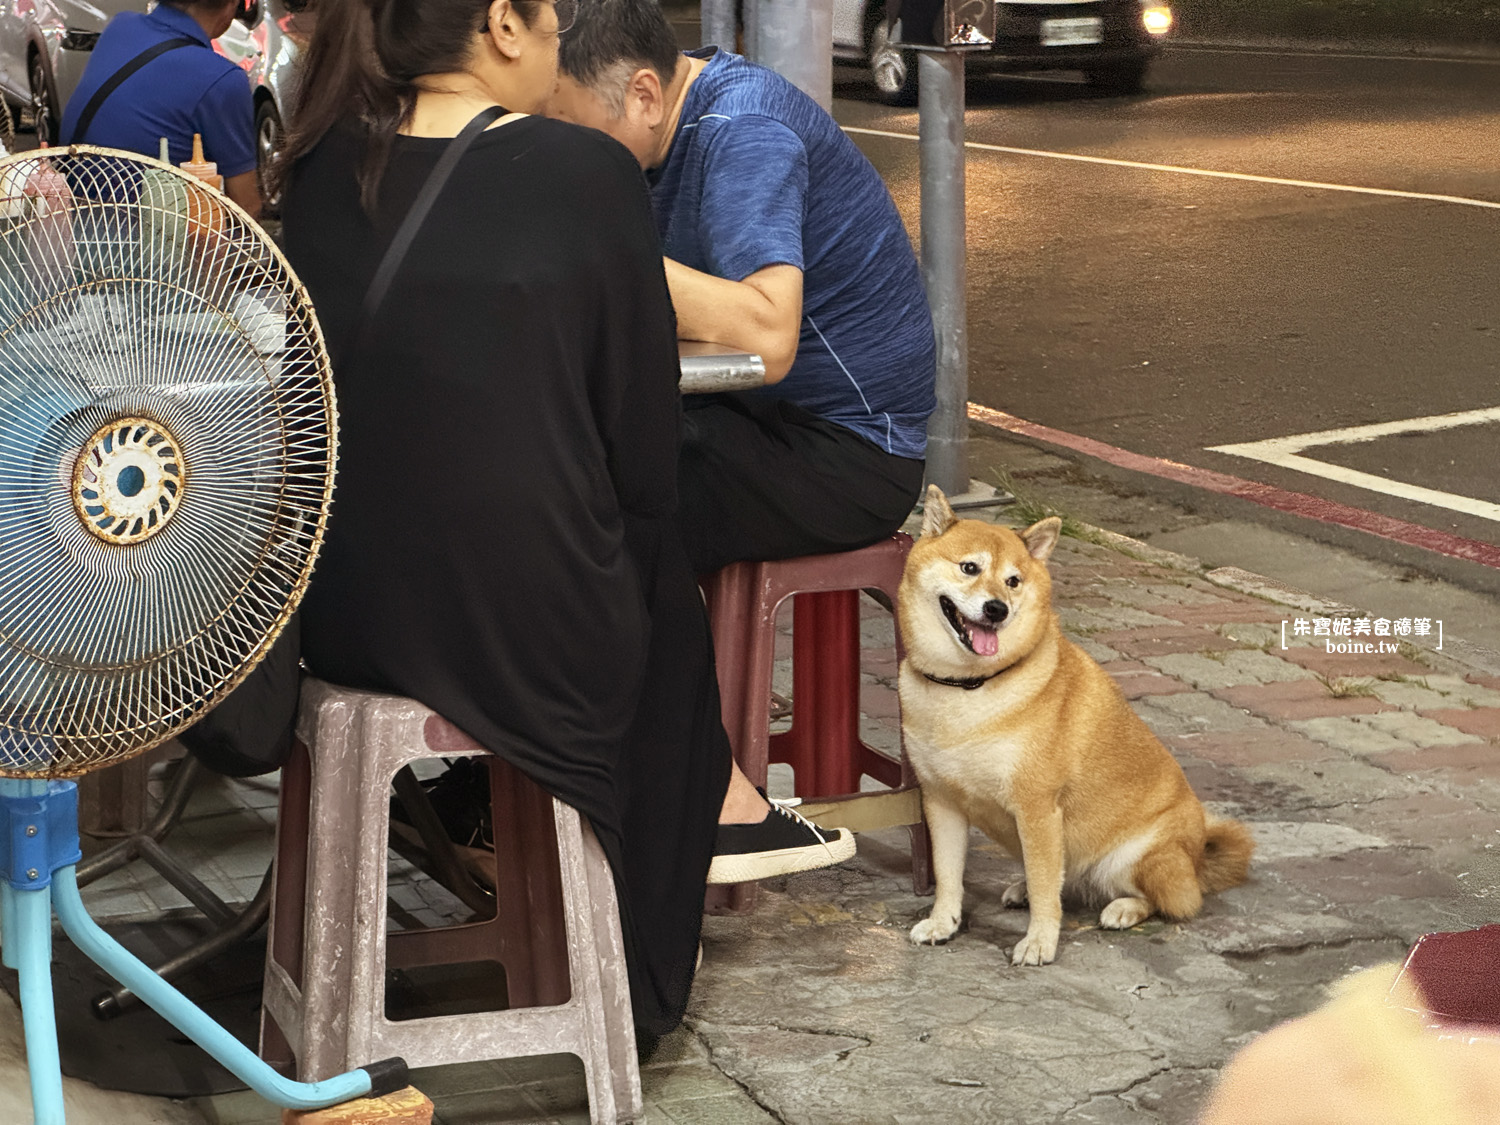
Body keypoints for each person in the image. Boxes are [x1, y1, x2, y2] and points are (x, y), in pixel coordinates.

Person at [271, 0, 851, 1040]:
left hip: (341, 611)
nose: (555, 42)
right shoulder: (582, 175)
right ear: (501, 23)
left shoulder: (323, 163)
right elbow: (640, 448)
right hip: (519, 635)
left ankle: (512, 851)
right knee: (656, 598)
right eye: (551, 18)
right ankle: (630, 969)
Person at [549, 0, 936, 576]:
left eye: (571, 133)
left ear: (644, 95)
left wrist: (600, 255)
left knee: (595, 494)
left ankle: (643, 666)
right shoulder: (666, 128)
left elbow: (766, 335)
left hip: (851, 454)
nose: (561, 159)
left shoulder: (743, 132)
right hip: (758, 418)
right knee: (562, 445)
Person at [59, 0, 261, 217]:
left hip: (63, 226)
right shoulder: (222, 79)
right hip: (146, 241)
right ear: (233, 5)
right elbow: (246, 209)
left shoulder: (120, 26)